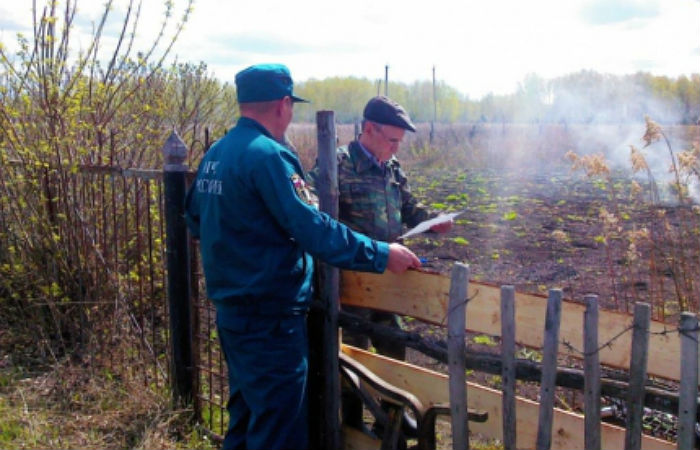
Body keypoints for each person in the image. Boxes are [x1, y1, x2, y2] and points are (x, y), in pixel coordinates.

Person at [184, 64, 422, 450]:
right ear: (282, 104)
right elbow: (315, 231)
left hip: (232, 312)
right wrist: (381, 254)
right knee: (278, 426)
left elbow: (195, 219)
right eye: (291, 105)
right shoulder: (269, 157)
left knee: (245, 417)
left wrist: (242, 247)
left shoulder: (217, 154)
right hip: (271, 319)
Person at [310, 95, 453, 433]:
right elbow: (318, 220)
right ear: (368, 129)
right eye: (392, 140)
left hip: (389, 278)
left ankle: (389, 418)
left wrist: (432, 221)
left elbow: (409, 208)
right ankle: (351, 424)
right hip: (352, 282)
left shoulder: (392, 169)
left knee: (394, 344)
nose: (395, 149)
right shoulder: (336, 166)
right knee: (354, 355)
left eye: (399, 142)